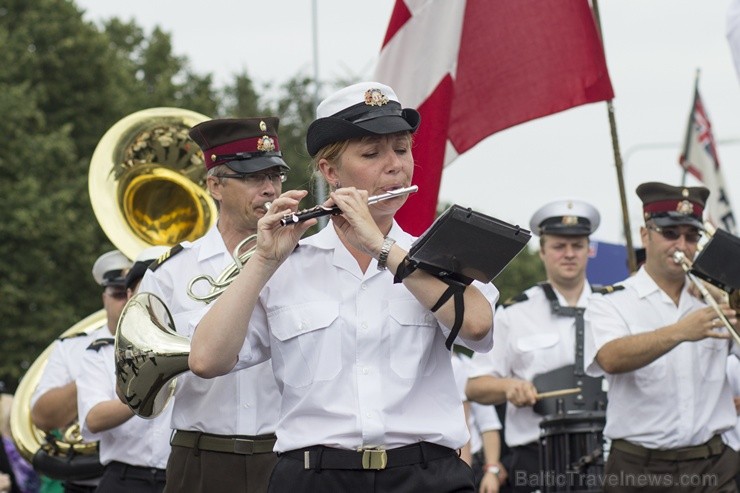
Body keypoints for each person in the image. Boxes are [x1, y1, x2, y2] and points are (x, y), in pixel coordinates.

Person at [188, 81, 498, 493]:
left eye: (402, 149)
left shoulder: (443, 254)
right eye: (372, 153)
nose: (395, 166)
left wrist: (385, 248)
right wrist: (262, 261)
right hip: (314, 477)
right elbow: (207, 360)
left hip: (428, 475)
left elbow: (478, 327)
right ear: (330, 172)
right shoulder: (285, 264)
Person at [136, 117, 287, 493]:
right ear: (215, 185)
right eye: (254, 178)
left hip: (288, 456)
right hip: (201, 459)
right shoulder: (171, 273)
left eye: (276, 176)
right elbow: (138, 380)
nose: (270, 190)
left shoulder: (305, 262)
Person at [585, 181, 740, 493]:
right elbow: (610, 357)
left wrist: (724, 291)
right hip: (639, 467)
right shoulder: (611, 301)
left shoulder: (715, 299)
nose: (681, 245)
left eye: (692, 236)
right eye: (670, 234)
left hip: (712, 464)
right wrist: (680, 331)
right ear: (646, 235)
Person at [466, 198, 603, 493]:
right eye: (558, 246)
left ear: (589, 250)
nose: (568, 254)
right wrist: (508, 388)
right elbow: (474, 386)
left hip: (603, 454)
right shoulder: (515, 314)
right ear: (542, 251)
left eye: (577, 245)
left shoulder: (613, 308)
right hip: (536, 459)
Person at [31, 251, 132, 493]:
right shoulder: (72, 348)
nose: (128, 301)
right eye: (118, 294)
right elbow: (43, 417)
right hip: (86, 483)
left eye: (135, 293)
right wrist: (91, 376)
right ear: (104, 298)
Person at [76, 246, 170, 493]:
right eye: (148, 289)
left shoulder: (200, 345)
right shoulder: (101, 352)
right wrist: (148, 388)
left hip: (181, 475)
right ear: (130, 295)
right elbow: (93, 419)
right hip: (125, 478)